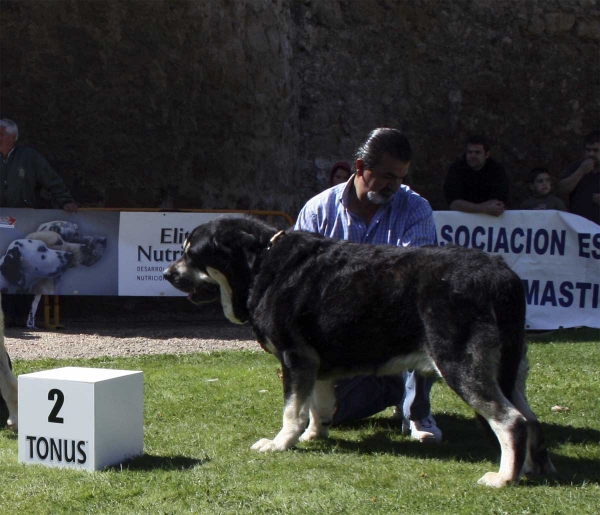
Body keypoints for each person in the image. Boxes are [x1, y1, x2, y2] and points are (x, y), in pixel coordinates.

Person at [295, 128, 441, 443]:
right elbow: (297, 282)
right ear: (360, 168)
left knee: (427, 316)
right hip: (336, 328)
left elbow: (416, 273)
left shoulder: (415, 209)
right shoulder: (318, 211)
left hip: (394, 317)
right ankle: (392, 386)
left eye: (400, 178)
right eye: (388, 176)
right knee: (334, 415)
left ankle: (417, 413)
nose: (394, 186)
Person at [0, 118, 79, 327]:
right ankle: (5, 316)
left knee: (27, 271)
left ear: (13, 137)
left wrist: (66, 201)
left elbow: (51, 179)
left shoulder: (29, 157)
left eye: (1, 134)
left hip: (25, 220)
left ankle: (23, 316)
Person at [443, 134, 509, 216]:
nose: (472, 156)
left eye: (477, 152)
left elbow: (498, 203)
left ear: (487, 154)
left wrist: (468, 207)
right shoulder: (456, 169)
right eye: (469, 152)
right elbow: (454, 204)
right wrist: (484, 209)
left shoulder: (497, 170)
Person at [558, 130, 600, 225]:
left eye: (596, 150)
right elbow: (561, 190)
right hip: (579, 227)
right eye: (588, 150)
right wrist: (580, 171)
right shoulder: (576, 167)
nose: (591, 154)